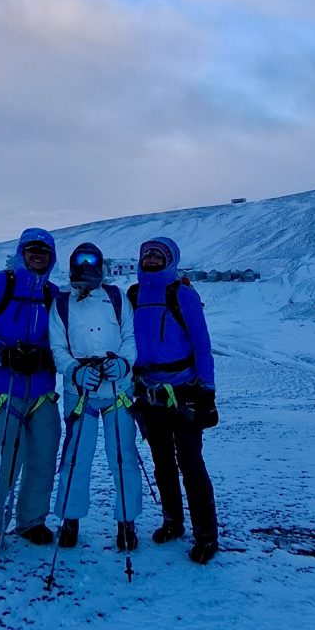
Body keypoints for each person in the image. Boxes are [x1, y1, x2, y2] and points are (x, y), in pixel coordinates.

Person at [0, 228, 61, 555]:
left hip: (43, 392)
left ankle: (32, 521)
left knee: (43, 459)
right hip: (4, 390)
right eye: (32, 250)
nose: (37, 256)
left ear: (51, 258)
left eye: (44, 252)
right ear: (21, 252)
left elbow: (65, 341)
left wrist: (46, 356)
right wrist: (1, 353)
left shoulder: (53, 295)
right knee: (0, 462)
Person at [129, 235, 219, 563]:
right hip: (148, 394)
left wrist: (207, 392)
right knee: (163, 463)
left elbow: (202, 346)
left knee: (191, 464)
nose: (151, 259)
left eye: (158, 255)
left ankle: (206, 534)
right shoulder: (134, 294)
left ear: (170, 259)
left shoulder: (183, 294)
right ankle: (173, 521)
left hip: (184, 394)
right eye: (147, 254)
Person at [48, 242, 142, 552]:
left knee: (122, 456)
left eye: (92, 262)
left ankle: (126, 522)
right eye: (81, 261)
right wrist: (75, 371)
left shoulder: (116, 298)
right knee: (77, 457)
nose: (87, 267)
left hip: (118, 389)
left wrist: (124, 362)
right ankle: (70, 518)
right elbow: (58, 349)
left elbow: (130, 337)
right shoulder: (61, 304)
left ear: (100, 266)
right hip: (81, 392)